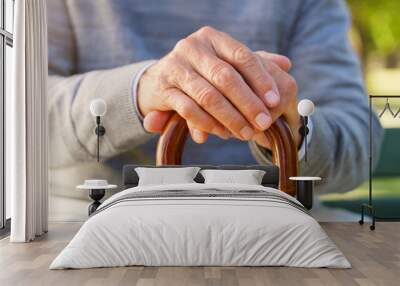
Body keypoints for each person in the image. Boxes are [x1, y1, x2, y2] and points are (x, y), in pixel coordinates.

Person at [47, 0, 383, 220]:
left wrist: (295, 133)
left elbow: (358, 141)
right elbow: (20, 118)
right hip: (92, 212)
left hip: (277, 212)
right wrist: (140, 90)